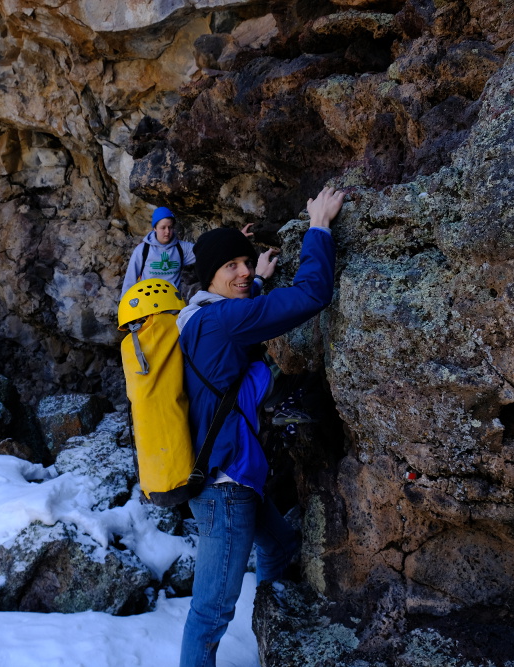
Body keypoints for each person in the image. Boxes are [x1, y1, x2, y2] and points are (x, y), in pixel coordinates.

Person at [175, 186, 344, 667]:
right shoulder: (222, 321)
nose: (245, 271)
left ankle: (269, 628)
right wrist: (319, 227)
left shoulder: (199, 317)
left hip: (234, 475)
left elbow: (240, 337)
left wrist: (255, 282)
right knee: (209, 615)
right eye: (232, 266)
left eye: (246, 263)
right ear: (210, 275)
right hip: (225, 488)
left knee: (281, 543)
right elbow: (312, 294)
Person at [120, 207, 197, 300]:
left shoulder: (182, 248)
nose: (167, 232)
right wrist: (124, 303)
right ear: (155, 228)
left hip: (173, 305)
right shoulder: (143, 250)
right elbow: (130, 279)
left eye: (170, 227)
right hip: (148, 304)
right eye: (163, 228)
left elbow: (203, 252)